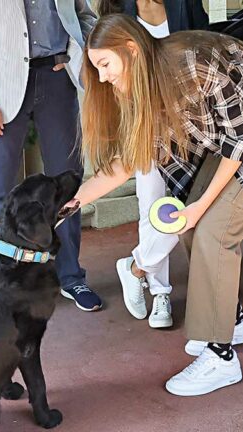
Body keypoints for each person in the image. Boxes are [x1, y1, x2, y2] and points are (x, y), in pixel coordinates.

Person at [68, 14, 243, 395]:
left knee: (214, 231)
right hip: (230, 147)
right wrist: (71, 203)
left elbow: (240, 141)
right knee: (185, 224)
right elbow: (126, 162)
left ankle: (221, 359)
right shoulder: (139, 87)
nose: (101, 77)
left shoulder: (196, 65)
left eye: (105, 64)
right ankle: (232, 320)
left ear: (131, 50)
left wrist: (201, 207)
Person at [0, 0, 102, 311]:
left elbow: (84, 15)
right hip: (2, 89)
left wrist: (81, 55)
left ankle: (70, 276)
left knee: (68, 183)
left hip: (57, 78)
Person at [92, 1, 213, 331]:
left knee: (187, 208)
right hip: (144, 121)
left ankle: (136, 267)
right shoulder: (119, 10)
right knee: (153, 207)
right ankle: (160, 291)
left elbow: (202, 42)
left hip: (188, 121)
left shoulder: (184, 4)